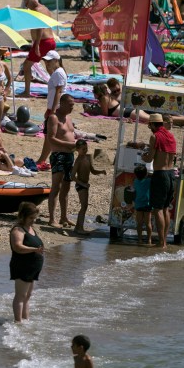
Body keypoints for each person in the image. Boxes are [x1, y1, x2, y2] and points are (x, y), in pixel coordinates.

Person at [141, 113, 177, 249]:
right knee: (166, 208)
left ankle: (161, 243)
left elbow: (150, 158)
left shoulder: (155, 136)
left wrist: (143, 156)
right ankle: (164, 241)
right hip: (171, 174)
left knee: (157, 209)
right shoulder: (171, 136)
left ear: (152, 124)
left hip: (160, 174)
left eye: (149, 124)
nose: (149, 127)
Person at [45, 94, 78, 228]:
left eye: (73, 105)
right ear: (62, 103)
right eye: (70, 104)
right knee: (56, 186)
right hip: (59, 154)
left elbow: (70, 134)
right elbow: (51, 138)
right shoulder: (53, 118)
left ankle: (63, 217)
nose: (72, 107)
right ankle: (52, 219)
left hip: (69, 155)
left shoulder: (68, 118)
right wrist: (67, 145)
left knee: (66, 187)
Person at [9, 201, 44, 323]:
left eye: (35, 218)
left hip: (32, 268)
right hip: (22, 266)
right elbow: (17, 247)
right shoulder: (18, 229)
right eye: (31, 218)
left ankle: (25, 320)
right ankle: (17, 322)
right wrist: (35, 249)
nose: (33, 221)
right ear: (23, 216)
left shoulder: (30, 228)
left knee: (27, 297)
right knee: (21, 296)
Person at [36, 50, 67, 165]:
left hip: (56, 108)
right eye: (46, 61)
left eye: (49, 61)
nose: (47, 63)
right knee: (52, 135)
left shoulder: (58, 73)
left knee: (49, 136)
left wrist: (52, 110)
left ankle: (41, 160)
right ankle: (43, 160)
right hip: (55, 107)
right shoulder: (58, 72)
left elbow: (58, 92)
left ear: (56, 60)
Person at [22, 0, 56, 97]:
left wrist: (36, 45)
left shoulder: (36, 10)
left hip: (42, 42)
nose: (27, 7)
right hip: (51, 40)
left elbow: (40, 27)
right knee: (49, 66)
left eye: (26, 4)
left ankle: (27, 92)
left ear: (29, 2)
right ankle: (58, 88)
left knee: (26, 66)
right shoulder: (45, 8)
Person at [72, 139, 106, 234]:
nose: (85, 150)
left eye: (86, 148)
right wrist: (83, 184)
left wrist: (101, 171)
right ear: (77, 150)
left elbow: (93, 171)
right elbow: (72, 176)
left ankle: (77, 228)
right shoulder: (78, 160)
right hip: (81, 185)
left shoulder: (87, 158)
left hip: (85, 185)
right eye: (83, 149)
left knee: (84, 206)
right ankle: (79, 228)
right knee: (84, 206)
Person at [133, 164, 153, 246]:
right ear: (146, 174)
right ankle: (149, 240)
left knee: (139, 223)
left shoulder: (135, 181)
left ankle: (140, 239)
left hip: (138, 204)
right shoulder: (149, 181)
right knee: (148, 223)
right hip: (147, 203)